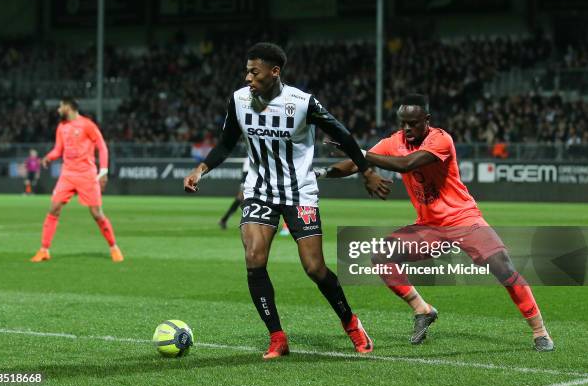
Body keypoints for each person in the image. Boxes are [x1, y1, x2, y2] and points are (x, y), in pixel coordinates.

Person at [184, 42, 390, 359]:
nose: (248, 77)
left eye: (254, 71)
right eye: (246, 70)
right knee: (254, 257)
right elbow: (226, 142)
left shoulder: (302, 103)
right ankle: (277, 337)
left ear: (274, 71)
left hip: (299, 192)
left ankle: (351, 323)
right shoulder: (239, 100)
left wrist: (366, 171)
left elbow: (344, 135)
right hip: (259, 189)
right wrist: (201, 170)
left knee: (314, 268)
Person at [318, 94, 554, 352]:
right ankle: (423, 309)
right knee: (381, 256)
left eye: (413, 123)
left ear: (426, 121)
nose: (407, 128)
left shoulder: (440, 139)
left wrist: (360, 152)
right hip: (429, 226)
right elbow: (355, 164)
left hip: (464, 219)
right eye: (403, 123)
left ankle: (540, 332)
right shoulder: (394, 141)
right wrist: (321, 173)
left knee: (503, 267)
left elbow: (407, 164)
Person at [31, 97, 124, 263]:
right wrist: (48, 157)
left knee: (96, 213)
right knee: (54, 208)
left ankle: (114, 247)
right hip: (67, 175)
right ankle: (44, 250)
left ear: (69, 107)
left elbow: (102, 146)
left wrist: (103, 170)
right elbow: (58, 149)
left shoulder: (87, 124)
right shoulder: (61, 127)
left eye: (61, 106)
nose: (58, 110)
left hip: (86, 175)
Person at [219, 157, 250, 229]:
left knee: (240, 200)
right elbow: (246, 173)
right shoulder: (251, 157)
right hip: (248, 179)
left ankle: (224, 220)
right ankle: (246, 223)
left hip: (249, 179)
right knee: (242, 200)